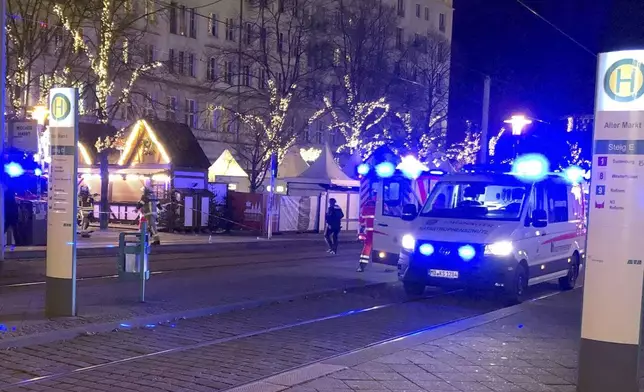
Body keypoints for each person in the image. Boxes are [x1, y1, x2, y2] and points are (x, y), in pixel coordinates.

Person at [357, 195, 376, 272]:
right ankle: (387, 266)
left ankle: (362, 266)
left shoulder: (366, 207)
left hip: (369, 232)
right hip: (381, 232)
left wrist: (360, 233)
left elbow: (361, 221)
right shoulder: (382, 206)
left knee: (367, 248)